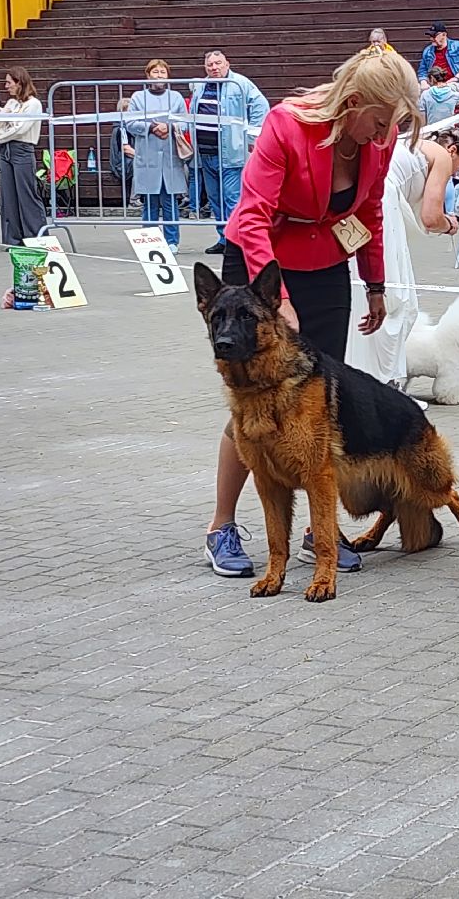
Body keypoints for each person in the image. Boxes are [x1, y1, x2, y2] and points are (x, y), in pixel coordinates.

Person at [204, 46, 421, 579]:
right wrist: (276, 303)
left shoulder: (381, 137)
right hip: (260, 266)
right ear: (352, 103)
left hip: (324, 263)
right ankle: (222, 526)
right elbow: (251, 216)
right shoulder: (286, 126)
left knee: (314, 406)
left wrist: (375, 282)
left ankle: (316, 532)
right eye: (379, 121)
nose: (385, 133)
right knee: (255, 401)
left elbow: (368, 208)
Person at [348, 132, 459, 392]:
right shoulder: (440, 157)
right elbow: (430, 216)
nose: (454, 172)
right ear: (452, 150)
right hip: (384, 201)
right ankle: (387, 381)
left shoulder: (413, 143)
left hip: (367, 196)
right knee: (398, 298)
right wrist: (448, 224)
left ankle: (366, 375)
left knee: (364, 291)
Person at [190, 50, 270, 255]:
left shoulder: (240, 84)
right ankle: (224, 238)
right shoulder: (200, 86)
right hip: (205, 154)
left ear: (227, 64)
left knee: (232, 198)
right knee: (215, 199)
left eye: (218, 63)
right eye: (210, 65)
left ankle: (237, 240)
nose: (214, 68)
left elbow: (261, 107)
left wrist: (251, 137)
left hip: (232, 153)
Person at [125, 59, 190, 254]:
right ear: (148, 75)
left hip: (170, 155)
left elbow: (185, 122)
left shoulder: (176, 97)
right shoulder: (138, 97)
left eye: (163, 72)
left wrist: (169, 127)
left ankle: (172, 240)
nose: (159, 75)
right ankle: (149, 239)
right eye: (156, 72)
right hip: (148, 154)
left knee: (170, 199)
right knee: (150, 201)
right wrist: (152, 128)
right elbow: (130, 123)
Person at [0, 66, 45, 247]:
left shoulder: (34, 104)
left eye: (9, 82)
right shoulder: (12, 104)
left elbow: (21, 129)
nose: (6, 86)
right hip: (6, 150)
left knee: (26, 194)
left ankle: (36, 237)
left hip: (22, 149)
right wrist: (2, 117)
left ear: (19, 82)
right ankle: (13, 239)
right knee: (8, 196)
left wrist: (0, 136)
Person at [417, 20, 459, 96]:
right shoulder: (427, 51)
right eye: (430, 36)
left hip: (452, 86)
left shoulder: (457, 46)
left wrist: (456, 78)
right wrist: (423, 82)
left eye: (434, 36)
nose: (431, 39)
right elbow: (422, 70)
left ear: (444, 35)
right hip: (433, 87)